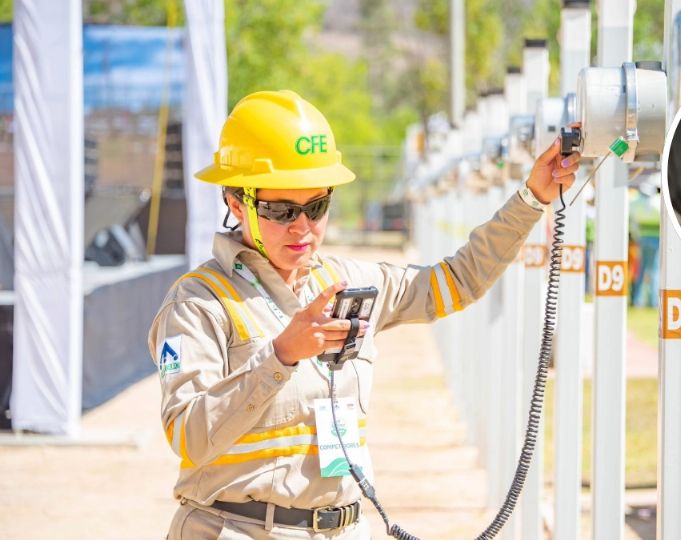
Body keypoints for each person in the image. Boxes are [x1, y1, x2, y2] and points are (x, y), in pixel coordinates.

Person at [148, 90, 581, 539]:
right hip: (238, 529)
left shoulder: (347, 282)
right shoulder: (198, 303)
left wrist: (531, 199)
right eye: (281, 210)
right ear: (236, 204)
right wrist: (279, 358)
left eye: (316, 207)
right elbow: (189, 437)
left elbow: (457, 281)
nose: (302, 226)